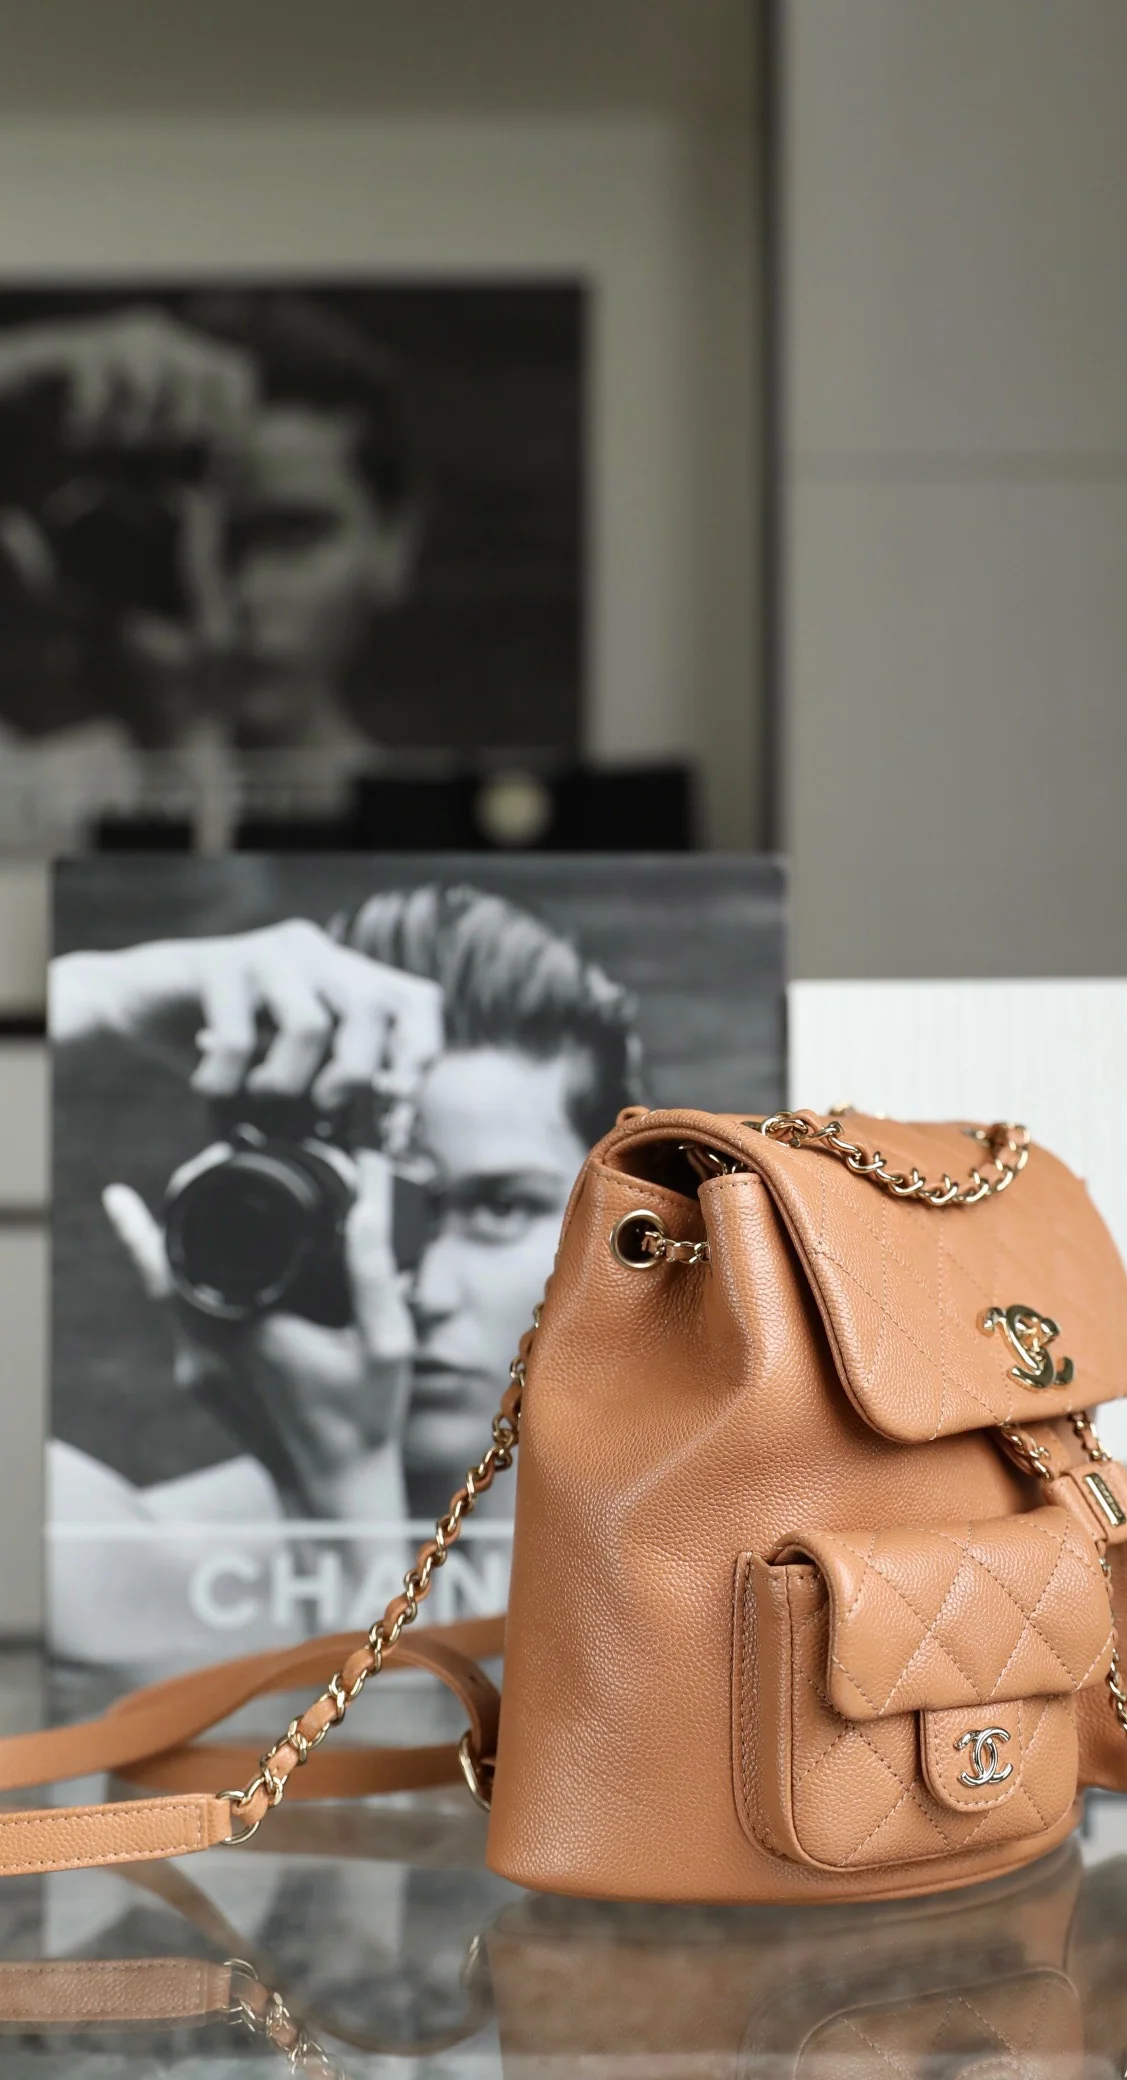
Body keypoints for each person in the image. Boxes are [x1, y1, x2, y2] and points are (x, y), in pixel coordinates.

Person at [47, 886, 640, 1669]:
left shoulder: (722, 1572)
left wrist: (336, 1495)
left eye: (500, 1207)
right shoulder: (133, 1566)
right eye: (374, 1211)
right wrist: (98, 994)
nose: (423, 1294)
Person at [0, 294, 419, 845]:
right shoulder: (33, 804)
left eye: (292, 537)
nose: (239, 589)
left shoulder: (449, 833)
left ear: (394, 541)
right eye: (193, 537)